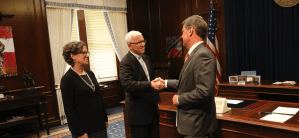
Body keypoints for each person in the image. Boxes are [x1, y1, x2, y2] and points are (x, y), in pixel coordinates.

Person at [155, 15, 218, 138]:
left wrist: (180, 99)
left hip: (197, 127)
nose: (181, 36)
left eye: (183, 32)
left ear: (190, 31)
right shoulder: (195, 54)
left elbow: (204, 91)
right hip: (191, 126)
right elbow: (187, 83)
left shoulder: (202, 55)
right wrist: (165, 83)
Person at [119, 31, 163, 138]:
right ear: (129, 46)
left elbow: (150, 79)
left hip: (152, 111)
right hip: (138, 114)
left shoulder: (146, 58)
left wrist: (156, 82)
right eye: (138, 42)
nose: (142, 44)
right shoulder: (125, 62)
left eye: (143, 41)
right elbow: (128, 85)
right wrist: (150, 84)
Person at [60, 41, 108, 138]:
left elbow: (99, 98)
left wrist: (105, 118)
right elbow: (69, 110)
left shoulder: (90, 74)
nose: (87, 55)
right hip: (84, 130)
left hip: (99, 125)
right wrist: (79, 132)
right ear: (73, 56)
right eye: (83, 53)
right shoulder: (67, 79)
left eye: (87, 53)